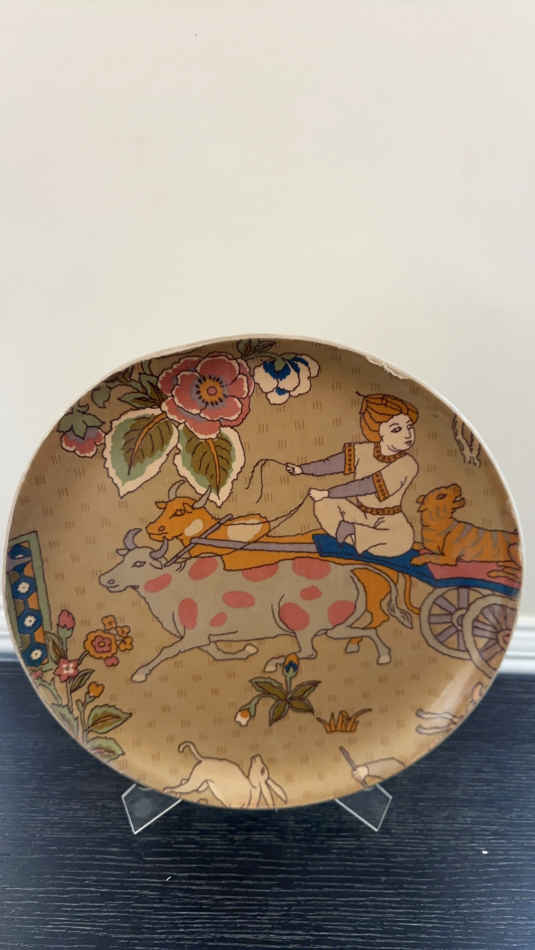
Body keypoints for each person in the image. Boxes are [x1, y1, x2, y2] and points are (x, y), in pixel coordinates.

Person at [286, 393, 419, 557]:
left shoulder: (407, 464)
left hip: (390, 521)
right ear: (377, 431)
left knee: (402, 541)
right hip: (360, 516)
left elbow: (366, 486)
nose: (407, 434)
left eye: (409, 427)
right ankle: (358, 536)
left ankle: (354, 535)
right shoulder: (364, 450)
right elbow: (330, 464)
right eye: (397, 429)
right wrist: (301, 469)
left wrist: (328, 492)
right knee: (324, 504)